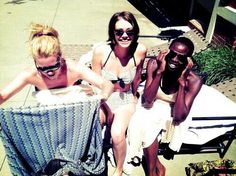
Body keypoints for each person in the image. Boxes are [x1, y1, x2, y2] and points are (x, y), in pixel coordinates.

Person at [128, 37, 203, 176]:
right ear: (167, 52)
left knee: (148, 123)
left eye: (181, 57)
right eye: (172, 53)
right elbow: (148, 99)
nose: (175, 59)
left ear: (188, 60)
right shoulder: (154, 64)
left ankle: (153, 171)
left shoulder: (194, 80)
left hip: (176, 108)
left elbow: (180, 116)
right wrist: (159, 72)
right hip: (153, 103)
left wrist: (181, 82)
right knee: (143, 120)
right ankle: (155, 169)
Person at [0, 23, 113, 109]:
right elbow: (3, 96)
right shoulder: (30, 74)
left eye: (53, 67)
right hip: (50, 115)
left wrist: (104, 95)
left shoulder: (73, 68)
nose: (49, 73)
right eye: (42, 68)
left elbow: (106, 84)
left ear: (60, 57)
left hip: (76, 110)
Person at [91, 11, 147, 176]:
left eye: (129, 32)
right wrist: (104, 106)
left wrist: (135, 98)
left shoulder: (140, 50)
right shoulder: (101, 51)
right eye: (119, 32)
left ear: (135, 32)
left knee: (116, 134)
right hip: (104, 98)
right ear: (112, 33)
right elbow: (95, 82)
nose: (125, 36)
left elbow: (137, 77)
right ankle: (91, 163)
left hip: (125, 100)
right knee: (92, 128)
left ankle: (119, 169)